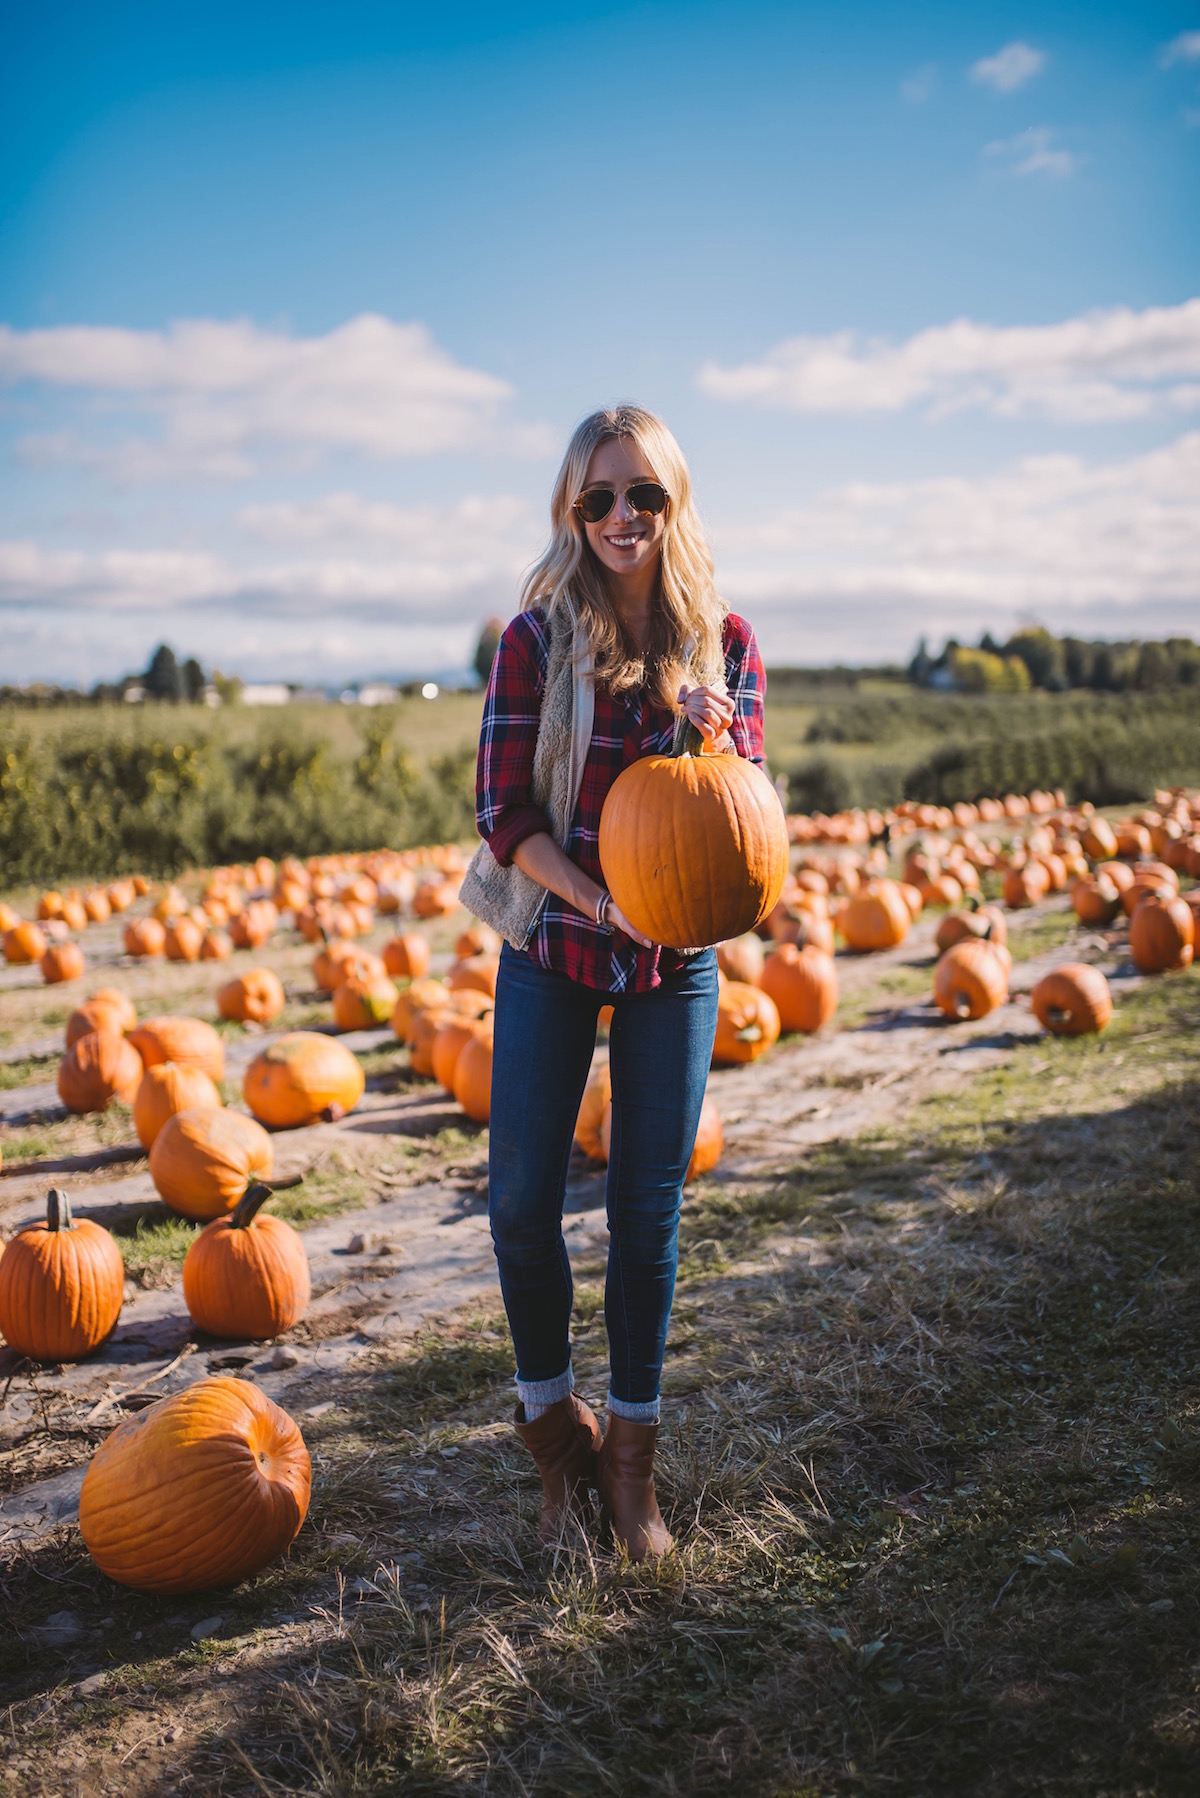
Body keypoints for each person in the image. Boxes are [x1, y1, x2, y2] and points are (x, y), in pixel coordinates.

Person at [466, 404, 767, 1559]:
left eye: (644, 493)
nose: (624, 516)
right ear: (573, 511)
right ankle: (557, 1443)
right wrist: (601, 901)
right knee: (519, 1211)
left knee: (647, 1217)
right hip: (558, 944)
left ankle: (631, 1468)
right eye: (600, 498)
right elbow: (507, 818)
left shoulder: (725, 644)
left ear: (674, 501)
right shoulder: (537, 640)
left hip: (676, 963)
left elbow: (745, 825)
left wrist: (720, 739)